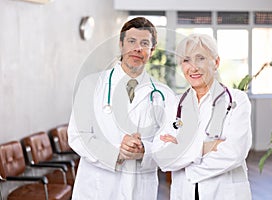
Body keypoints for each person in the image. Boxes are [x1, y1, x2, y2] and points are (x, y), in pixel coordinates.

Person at [67, 17, 176, 200]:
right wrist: (117, 153)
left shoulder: (164, 95)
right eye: (131, 41)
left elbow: (170, 144)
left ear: (152, 50)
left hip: (141, 190)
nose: (137, 48)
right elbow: (78, 135)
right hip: (97, 188)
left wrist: (145, 150)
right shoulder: (91, 85)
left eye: (144, 43)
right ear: (121, 45)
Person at [152, 34, 252, 200]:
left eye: (200, 59)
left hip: (224, 193)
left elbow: (234, 153)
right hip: (184, 193)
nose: (193, 67)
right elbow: (161, 157)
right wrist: (206, 147)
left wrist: (184, 154)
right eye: (186, 60)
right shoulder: (174, 105)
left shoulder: (236, 100)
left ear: (216, 62)